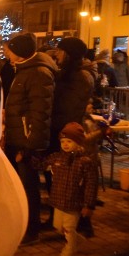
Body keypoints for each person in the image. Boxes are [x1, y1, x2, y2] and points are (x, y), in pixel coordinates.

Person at [2, 33, 58, 245]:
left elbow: (40, 114)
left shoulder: (38, 73)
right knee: (20, 186)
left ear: (21, 51)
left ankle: (31, 229)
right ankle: (24, 223)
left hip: (26, 142)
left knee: (28, 187)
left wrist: (30, 148)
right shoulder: (25, 70)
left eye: (10, 48)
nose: (7, 53)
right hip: (19, 137)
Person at [46, 37, 97, 223]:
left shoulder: (80, 76)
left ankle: (72, 222)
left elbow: (68, 108)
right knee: (58, 177)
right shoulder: (69, 73)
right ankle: (58, 217)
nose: (56, 54)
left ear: (69, 54)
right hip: (60, 131)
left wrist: (59, 133)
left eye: (60, 51)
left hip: (66, 134)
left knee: (68, 179)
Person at [40, 122, 98, 256]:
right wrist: (28, 158)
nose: (65, 144)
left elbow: (91, 185)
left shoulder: (85, 162)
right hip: (59, 201)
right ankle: (77, 240)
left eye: (69, 141)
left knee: (69, 229)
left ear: (78, 142)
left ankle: (68, 254)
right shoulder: (57, 158)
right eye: (63, 141)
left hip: (74, 202)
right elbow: (41, 164)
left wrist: (89, 205)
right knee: (58, 226)